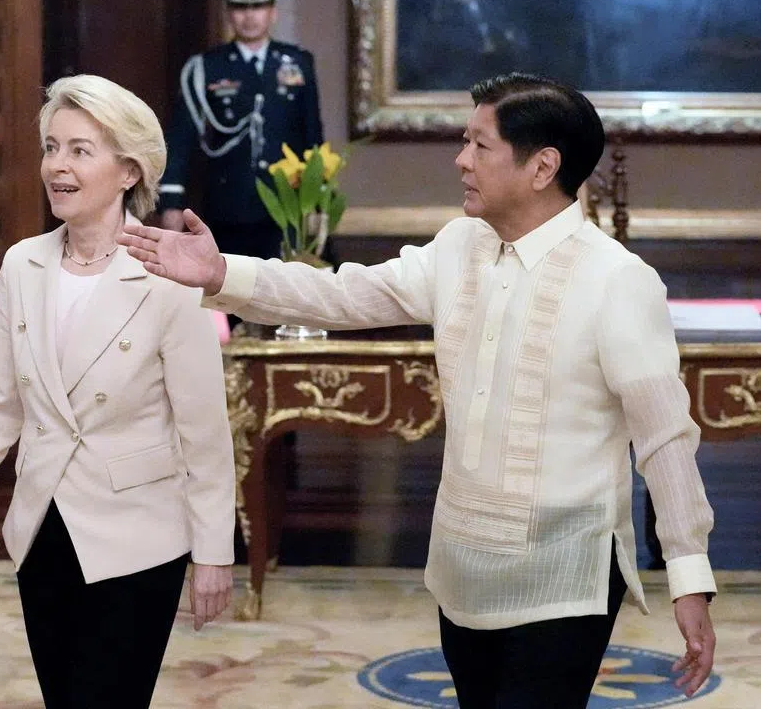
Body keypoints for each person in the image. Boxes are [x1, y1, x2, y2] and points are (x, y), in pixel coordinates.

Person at [120, 73, 718, 708]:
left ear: (542, 166)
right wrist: (222, 273)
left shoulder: (619, 281)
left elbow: (665, 440)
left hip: (562, 578)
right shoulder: (458, 247)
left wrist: (688, 578)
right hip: (460, 569)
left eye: (480, 147)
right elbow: (345, 294)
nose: (460, 160)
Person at [0, 74, 236, 708]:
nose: (57, 167)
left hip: (137, 537)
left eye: (79, 150)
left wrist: (213, 553)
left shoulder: (167, 278)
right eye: (51, 147)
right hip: (43, 529)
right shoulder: (22, 264)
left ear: (128, 171)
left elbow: (204, 431)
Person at [158, 0, 323, 261]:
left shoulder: (298, 63)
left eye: (258, 6)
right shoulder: (208, 67)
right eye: (239, 7)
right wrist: (171, 202)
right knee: (227, 296)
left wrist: (318, 201)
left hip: (286, 207)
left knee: (282, 298)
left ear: (273, 12)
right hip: (228, 207)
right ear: (228, 13)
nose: (249, 16)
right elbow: (180, 138)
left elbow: (312, 136)